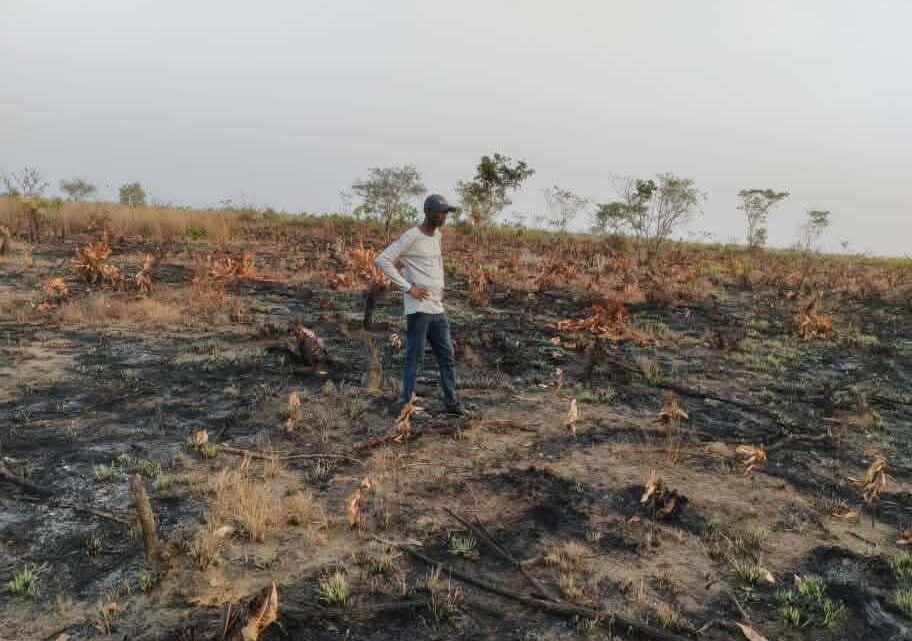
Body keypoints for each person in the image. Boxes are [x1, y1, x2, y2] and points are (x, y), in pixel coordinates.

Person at [374, 194, 467, 415]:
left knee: (447, 357)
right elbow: (382, 260)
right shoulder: (411, 236)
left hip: (437, 308)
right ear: (428, 212)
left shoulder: (437, 236)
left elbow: (438, 261)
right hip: (419, 310)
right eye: (441, 212)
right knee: (415, 359)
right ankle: (406, 403)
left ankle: (452, 404)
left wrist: (441, 285)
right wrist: (408, 287)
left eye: (446, 212)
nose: (445, 216)